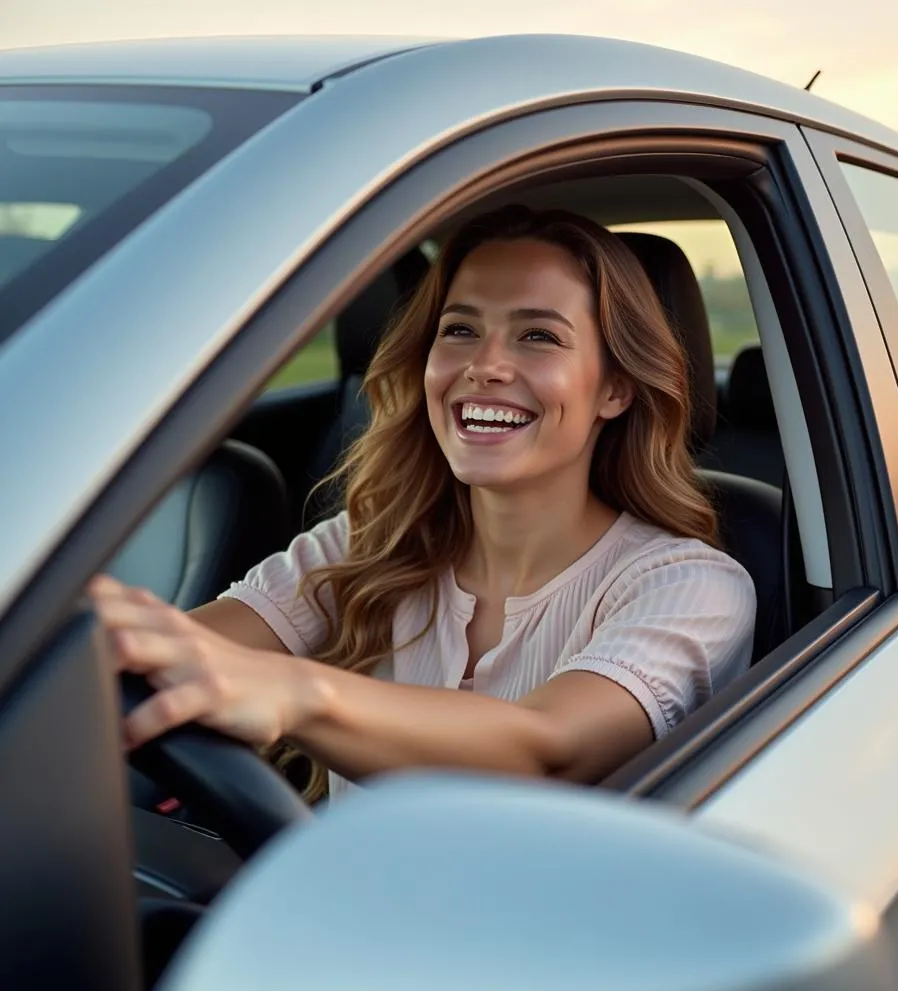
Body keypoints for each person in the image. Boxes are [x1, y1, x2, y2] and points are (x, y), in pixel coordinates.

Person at [89, 204, 756, 803]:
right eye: (460, 330)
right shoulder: (368, 544)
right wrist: (89, 635)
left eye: (538, 337)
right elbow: (184, 648)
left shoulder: (690, 588)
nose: (485, 365)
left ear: (614, 389)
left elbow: (548, 748)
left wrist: (293, 691)